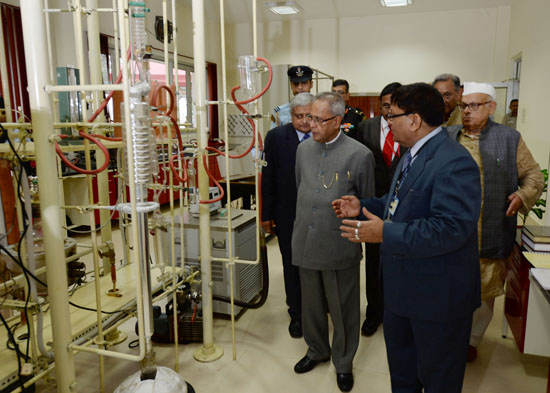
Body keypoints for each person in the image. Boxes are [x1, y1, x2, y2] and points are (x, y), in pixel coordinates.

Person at [333, 83, 482, 393]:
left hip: (438, 299)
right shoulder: (411, 154)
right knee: (403, 377)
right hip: (402, 293)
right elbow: (396, 202)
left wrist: (384, 232)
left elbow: (451, 228)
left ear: (415, 120)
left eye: (393, 116)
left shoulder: (454, 161)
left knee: (439, 379)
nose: (388, 122)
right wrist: (364, 206)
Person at [448, 82, 544, 362]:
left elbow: (534, 176)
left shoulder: (509, 138)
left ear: (491, 107)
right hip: (452, 229)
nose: (467, 111)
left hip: (489, 230)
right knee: (451, 287)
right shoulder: (448, 136)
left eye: (474, 105)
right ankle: (449, 334)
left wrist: (522, 195)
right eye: (463, 105)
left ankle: (472, 340)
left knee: (483, 291)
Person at [292, 92, 374, 392]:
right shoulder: (303, 151)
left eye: (317, 119)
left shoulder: (359, 155)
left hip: (339, 244)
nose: (309, 124)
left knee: (344, 308)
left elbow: (366, 204)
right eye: (307, 117)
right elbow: (300, 186)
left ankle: (343, 361)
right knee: (311, 304)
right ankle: (317, 350)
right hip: (305, 240)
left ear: (337, 120)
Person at [261, 92, 314, 338]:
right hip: (287, 214)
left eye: (309, 116)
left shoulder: (324, 135)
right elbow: (268, 178)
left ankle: (318, 308)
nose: (304, 121)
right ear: (290, 115)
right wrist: (266, 214)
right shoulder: (275, 138)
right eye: (298, 116)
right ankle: (297, 314)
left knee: (316, 264)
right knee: (291, 265)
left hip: (318, 216)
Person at [353, 81, 404, 337]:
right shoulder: (366, 127)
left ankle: (396, 312)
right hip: (373, 204)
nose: (389, 110)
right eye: (385, 104)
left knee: (398, 262)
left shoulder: (408, 130)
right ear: (380, 104)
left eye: (394, 105)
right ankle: (373, 313)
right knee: (373, 262)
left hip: (403, 206)